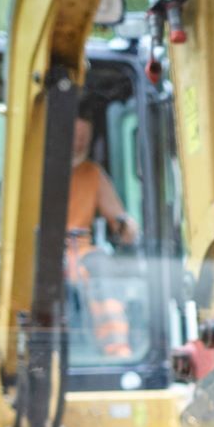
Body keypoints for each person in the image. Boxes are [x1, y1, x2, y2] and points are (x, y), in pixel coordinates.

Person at [65, 107, 139, 359]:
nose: (79, 142)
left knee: (101, 266)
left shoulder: (92, 174)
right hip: (42, 249)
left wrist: (125, 225)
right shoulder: (36, 171)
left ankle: (116, 349)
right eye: (75, 135)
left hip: (80, 249)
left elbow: (119, 216)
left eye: (84, 136)